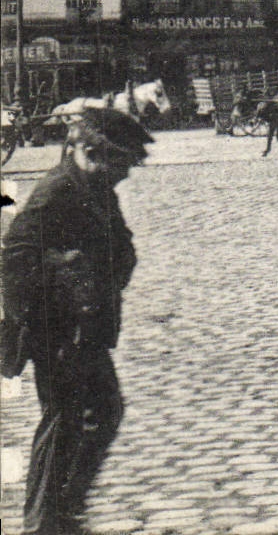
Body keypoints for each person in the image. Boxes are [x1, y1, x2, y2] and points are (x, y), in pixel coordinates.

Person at [2, 108, 153, 535]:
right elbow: (15, 257)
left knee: (103, 411)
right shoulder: (57, 190)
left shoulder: (97, 188)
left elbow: (122, 246)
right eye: (120, 162)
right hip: (57, 329)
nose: (125, 173)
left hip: (86, 328)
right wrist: (48, 312)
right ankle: (43, 524)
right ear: (88, 150)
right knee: (64, 417)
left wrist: (101, 281)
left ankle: (63, 511)